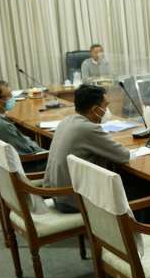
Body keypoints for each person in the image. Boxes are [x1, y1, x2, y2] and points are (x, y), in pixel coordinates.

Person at [44, 85, 129, 213]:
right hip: (74, 201)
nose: (107, 110)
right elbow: (123, 155)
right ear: (95, 109)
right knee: (136, 188)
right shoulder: (88, 129)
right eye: (105, 106)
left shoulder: (66, 121)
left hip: (58, 195)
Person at [0, 80, 46, 171]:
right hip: (26, 166)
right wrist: (48, 152)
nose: (12, 98)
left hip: (1, 164)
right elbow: (27, 151)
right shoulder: (2, 127)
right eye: (9, 95)